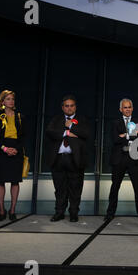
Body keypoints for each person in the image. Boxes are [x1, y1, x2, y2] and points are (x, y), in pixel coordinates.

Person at [46, 95, 90, 223]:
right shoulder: (56, 119)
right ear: (62, 107)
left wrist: (71, 127)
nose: (69, 108)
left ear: (75, 107)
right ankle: (59, 212)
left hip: (74, 159)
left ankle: (73, 213)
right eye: (67, 106)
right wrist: (66, 133)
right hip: (58, 159)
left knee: (75, 188)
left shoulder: (82, 120)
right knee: (60, 188)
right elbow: (50, 132)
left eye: (72, 105)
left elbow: (86, 133)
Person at [105, 98, 138, 222]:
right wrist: (131, 134)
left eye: (129, 107)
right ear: (120, 109)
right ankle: (110, 213)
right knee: (115, 187)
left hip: (134, 159)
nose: (127, 109)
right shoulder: (114, 123)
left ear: (132, 108)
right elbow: (115, 139)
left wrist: (124, 135)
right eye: (125, 107)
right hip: (119, 160)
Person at [0, 90, 25, 221]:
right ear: (3, 101)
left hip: (16, 150)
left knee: (15, 181)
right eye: (8, 99)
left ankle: (12, 210)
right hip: (1, 150)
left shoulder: (20, 116)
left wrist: (15, 149)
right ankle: (1, 211)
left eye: (12, 99)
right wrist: (4, 148)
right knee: (0, 181)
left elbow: (23, 136)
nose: (11, 101)